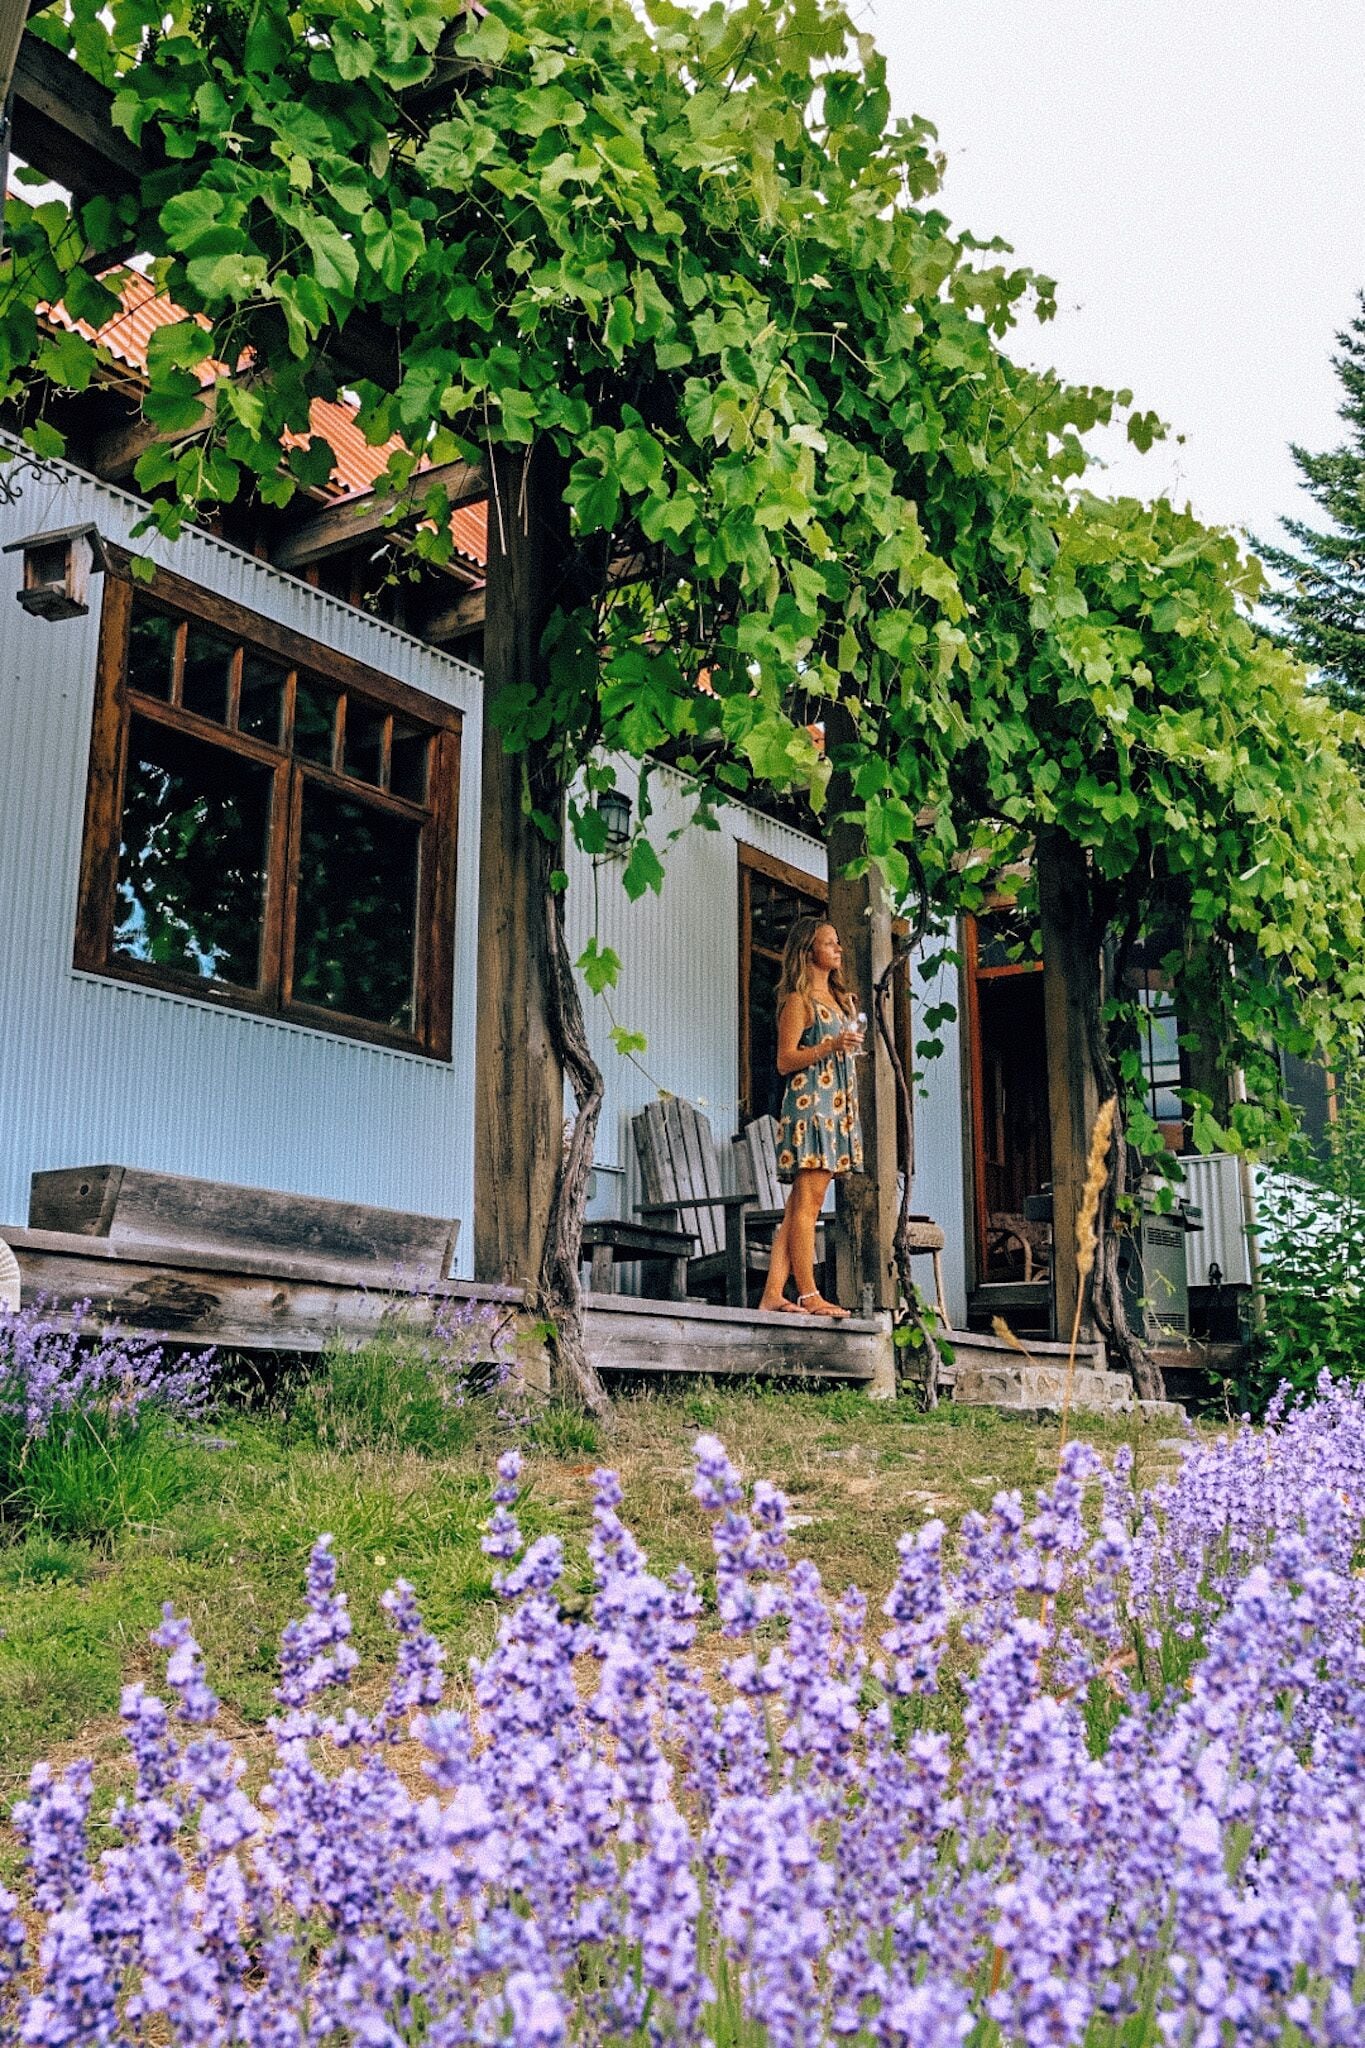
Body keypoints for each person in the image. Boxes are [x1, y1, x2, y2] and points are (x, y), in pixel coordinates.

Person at [758, 915, 865, 1319]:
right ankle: (808, 1294)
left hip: (834, 1106)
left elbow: (842, 1048)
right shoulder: (797, 1001)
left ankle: (772, 1293)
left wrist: (846, 1026)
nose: (838, 949)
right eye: (829, 943)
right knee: (809, 1204)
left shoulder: (838, 1000)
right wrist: (831, 1045)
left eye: (838, 942)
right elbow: (785, 1061)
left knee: (797, 1209)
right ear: (808, 952)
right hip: (811, 1108)